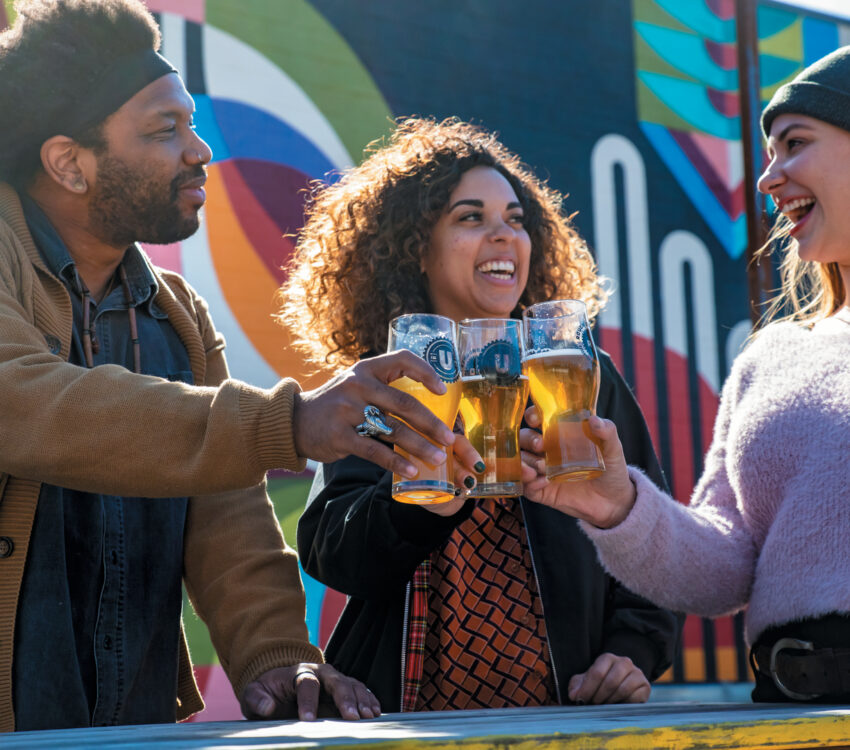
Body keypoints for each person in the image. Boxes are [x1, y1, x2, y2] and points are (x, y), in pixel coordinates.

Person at [0, 0, 477, 732]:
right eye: (166, 130)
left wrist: (278, 655)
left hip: (131, 730)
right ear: (69, 163)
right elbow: (24, 402)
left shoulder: (179, 315)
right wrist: (288, 420)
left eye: (192, 124)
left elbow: (227, 510)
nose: (200, 151)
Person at [281, 117, 682, 712]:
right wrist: (411, 504)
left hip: (565, 718)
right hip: (406, 719)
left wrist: (632, 651)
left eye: (516, 221)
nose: (505, 236)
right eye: (471, 217)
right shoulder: (385, 382)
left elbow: (653, 531)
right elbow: (331, 553)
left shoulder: (573, 373)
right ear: (415, 248)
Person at [519, 47, 850, 703]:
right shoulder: (771, 356)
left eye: (794, 144)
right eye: (768, 153)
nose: (768, 179)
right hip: (789, 718)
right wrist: (616, 505)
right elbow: (725, 569)